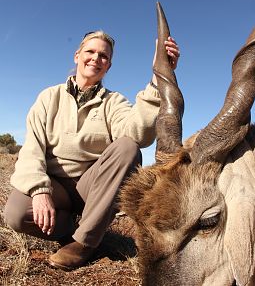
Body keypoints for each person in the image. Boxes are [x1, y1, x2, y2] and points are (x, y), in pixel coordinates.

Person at [3, 30, 180, 270]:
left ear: (108, 65)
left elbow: (137, 134)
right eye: (90, 52)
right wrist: (39, 191)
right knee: (15, 214)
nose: (96, 58)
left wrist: (158, 78)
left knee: (128, 147)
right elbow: (32, 149)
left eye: (103, 56)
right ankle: (78, 229)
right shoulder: (48, 97)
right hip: (55, 186)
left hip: (92, 189)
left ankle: (83, 243)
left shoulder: (113, 102)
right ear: (77, 56)